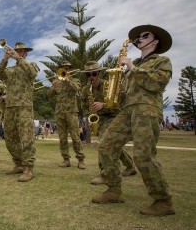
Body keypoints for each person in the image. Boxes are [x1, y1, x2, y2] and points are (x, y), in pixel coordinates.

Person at [92, 24, 175, 216]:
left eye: (145, 36)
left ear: (155, 41)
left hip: (147, 110)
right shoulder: (135, 64)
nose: (139, 38)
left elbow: (158, 83)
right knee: (106, 146)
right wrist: (110, 97)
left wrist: (132, 68)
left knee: (143, 156)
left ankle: (163, 201)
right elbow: (127, 92)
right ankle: (113, 190)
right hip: (127, 110)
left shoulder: (162, 61)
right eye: (138, 36)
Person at [80, 61, 136, 185]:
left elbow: (120, 103)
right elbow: (84, 105)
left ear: (99, 73)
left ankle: (105, 173)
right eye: (88, 75)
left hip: (113, 116)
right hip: (99, 119)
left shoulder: (110, 85)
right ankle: (130, 166)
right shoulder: (85, 90)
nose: (91, 77)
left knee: (103, 142)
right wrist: (90, 115)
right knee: (111, 144)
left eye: (94, 74)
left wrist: (103, 105)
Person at [0, 42, 39, 182]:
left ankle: (28, 168)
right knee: (9, 139)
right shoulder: (9, 70)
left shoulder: (31, 65)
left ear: (25, 53)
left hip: (24, 107)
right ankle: (19, 164)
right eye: (16, 51)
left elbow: (32, 74)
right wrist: (5, 59)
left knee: (26, 138)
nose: (18, 52)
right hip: (9, 107)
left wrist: (18, 59)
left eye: (21, 51)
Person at [47, 61, 86, 169]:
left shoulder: (75, 80)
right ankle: (66, 159)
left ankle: (81, 160)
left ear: (70, 69)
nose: (66, 70)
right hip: (59, 112)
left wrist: (68, 79)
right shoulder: (57, 82)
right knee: (62, 138)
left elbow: (77, 89)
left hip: (71, 112)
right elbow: (49, 95)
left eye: (68, 68)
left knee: (75, 137)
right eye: (64, 68)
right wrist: (53, 86)